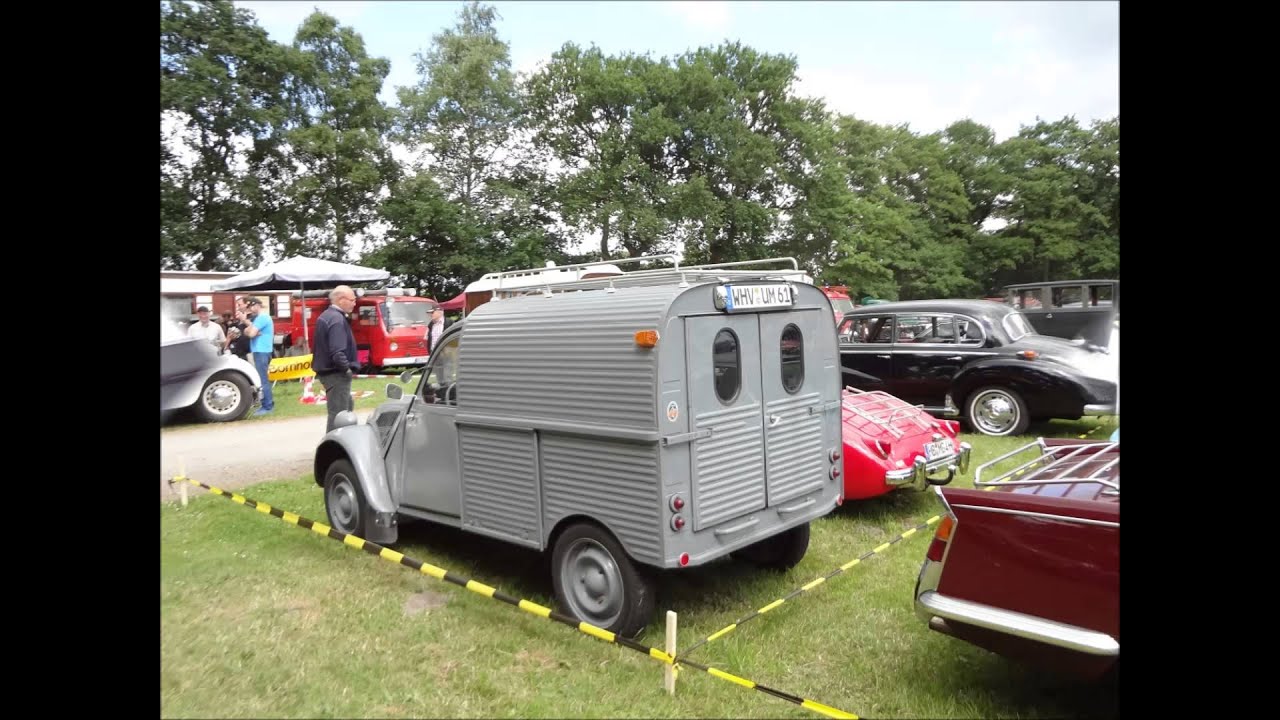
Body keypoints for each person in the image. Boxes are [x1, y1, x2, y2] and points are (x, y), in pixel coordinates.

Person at [312, 285, 359, 433]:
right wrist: (346, 369)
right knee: (340, 415)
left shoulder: (327, 315)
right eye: (352, 300)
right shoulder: (336, 319)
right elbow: (337, 352)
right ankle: (333, 449)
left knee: (345, 410)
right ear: (341, 300)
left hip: (331, 372)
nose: (354, 303)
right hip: (336, 373)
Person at [241, 297, 275, 414]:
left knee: (262, 379)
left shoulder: (262, 318)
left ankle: (268, 406)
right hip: (260, 350)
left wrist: (250, 327)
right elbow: (247, 332)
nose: (250, 309)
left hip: (261, 350)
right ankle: (267, 403)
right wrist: (253, 330)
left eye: (251, 306)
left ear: (257, 305)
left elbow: (250, 333)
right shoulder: (259, 319)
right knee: (263, 378)